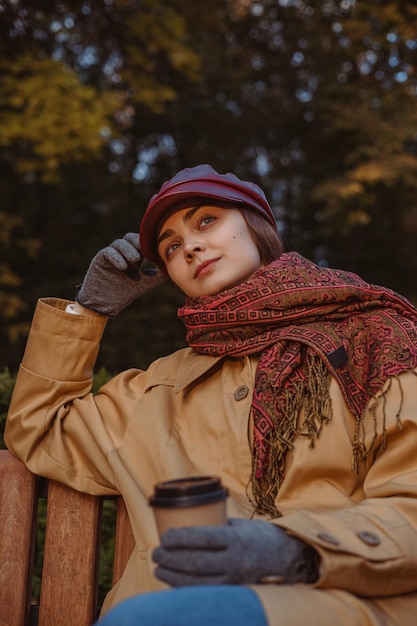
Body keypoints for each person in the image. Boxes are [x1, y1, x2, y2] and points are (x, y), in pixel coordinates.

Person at [5, 164, 417, 626]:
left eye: (207, 221)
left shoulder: (375, 341)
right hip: (168, 609)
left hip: (334, 603)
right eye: (171, 247)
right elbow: (39, 427)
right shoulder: (158, 389)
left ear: (256, 227)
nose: (191, 247)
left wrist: (296, 549)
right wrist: (89, 309)